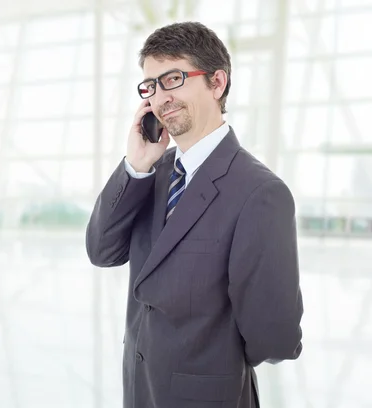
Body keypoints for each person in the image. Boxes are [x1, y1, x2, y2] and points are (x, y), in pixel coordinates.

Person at [85, 21, 303, 408]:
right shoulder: (152, 173)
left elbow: (275, 338)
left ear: (217, 83)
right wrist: (136, 166)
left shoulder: (260, 193)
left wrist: (210, 362)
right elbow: (102, 251)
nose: (158, 97)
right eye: (150, 85)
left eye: (173, 78)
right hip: (139, 391)